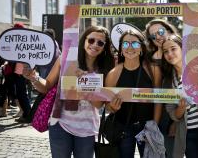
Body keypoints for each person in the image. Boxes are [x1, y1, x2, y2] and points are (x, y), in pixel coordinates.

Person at [23, 25, 115, 158]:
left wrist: (84, 84)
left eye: (100, 43)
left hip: (87, 128)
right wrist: (34, 77)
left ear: (104, 47)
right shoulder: (65, 59)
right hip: (60, 123)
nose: (95, 45)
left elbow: (98, 105)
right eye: (91, 40)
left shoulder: (104, 69)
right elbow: (46, 86)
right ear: (84, 40)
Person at [105, 29, 162, 158]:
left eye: (135, 44)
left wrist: (154, 126)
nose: (130, 47)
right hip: (123, 127)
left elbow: (159, 100)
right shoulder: (113, 74)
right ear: (120, 49)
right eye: (125, 44)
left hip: (148, 126)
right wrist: (112, 107)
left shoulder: (153, 70)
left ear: (141, 48)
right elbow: (107, 105)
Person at [144, 18, 178, 158]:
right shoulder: (149, 59)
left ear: (169, 30)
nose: (158, 36)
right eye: (153, 36)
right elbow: (156, 94)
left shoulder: (184, 54)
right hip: (161, 117)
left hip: (186, 115)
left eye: (161, 31)